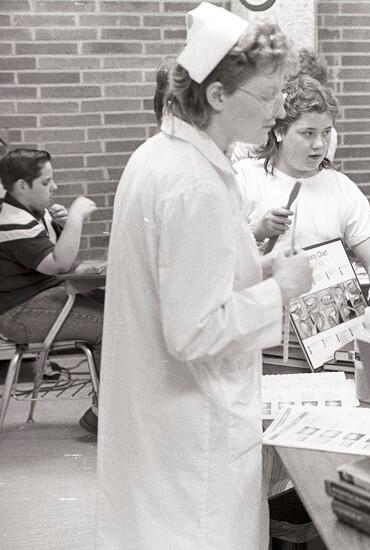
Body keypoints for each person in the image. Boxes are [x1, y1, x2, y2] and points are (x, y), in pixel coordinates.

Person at [96, 5, 313, 549]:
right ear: (217, 95)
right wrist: (281, 289)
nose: (280, 109)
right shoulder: (193, 184)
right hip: (192, 432)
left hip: (163, 426)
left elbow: (184, 280)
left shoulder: (159, 157)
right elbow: (194, 331)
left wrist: (256, 270)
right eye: (268, 95)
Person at [234, 74, 370, 308]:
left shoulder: (341, 187)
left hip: (326, 318)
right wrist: (258, 232)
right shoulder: (244, 178)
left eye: (326, 132)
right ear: (280, 131)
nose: (320, 144)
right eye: (308, 133)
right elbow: (220, 262)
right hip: (262, 316)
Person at [0, 148, 100, 433]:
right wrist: (76, 218)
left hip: (41, 297)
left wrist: (59, 224)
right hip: (19, 313)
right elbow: (60, 263)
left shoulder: (31, 212)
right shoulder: (12, 221)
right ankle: (104, 412)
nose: (54, 187)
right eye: (46, 182)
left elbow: (54, 256)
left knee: (114, 303)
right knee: (111, 326)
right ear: (22, 186)